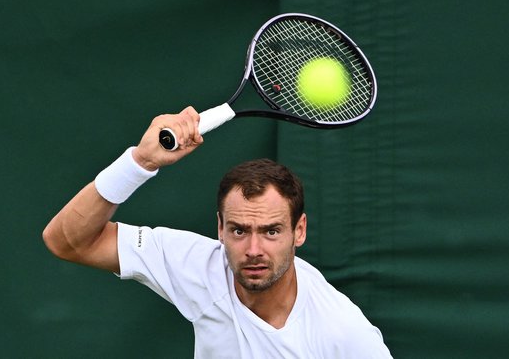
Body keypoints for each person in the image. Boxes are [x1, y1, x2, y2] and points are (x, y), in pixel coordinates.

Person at [43, 107, 392, 358]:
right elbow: (67, 241)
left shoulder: (343, 334)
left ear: (299, 231)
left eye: (271, 231)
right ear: (220, 229)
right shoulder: (199, 266)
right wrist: (139, 162)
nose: (254, 249)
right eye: (240, 230)